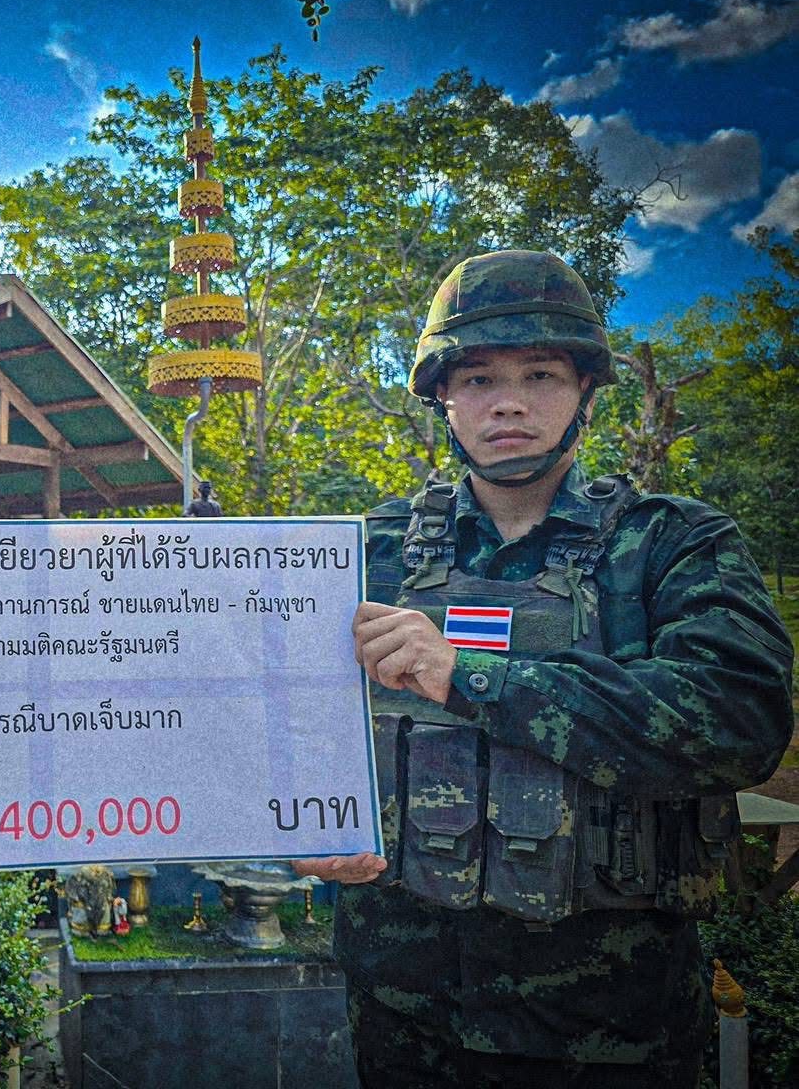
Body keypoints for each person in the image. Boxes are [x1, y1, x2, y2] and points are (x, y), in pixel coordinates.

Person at [295, 249, 794, 1088]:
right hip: (407, 1017)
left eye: (540, 374)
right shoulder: (364, 551)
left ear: (585, 392)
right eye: (479, 379)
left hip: (611, 1033)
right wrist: (305, 832)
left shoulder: (673, 543)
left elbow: (739, 721)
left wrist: (472, 674)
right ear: (444, 398)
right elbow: (284, 725)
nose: (509, 402)